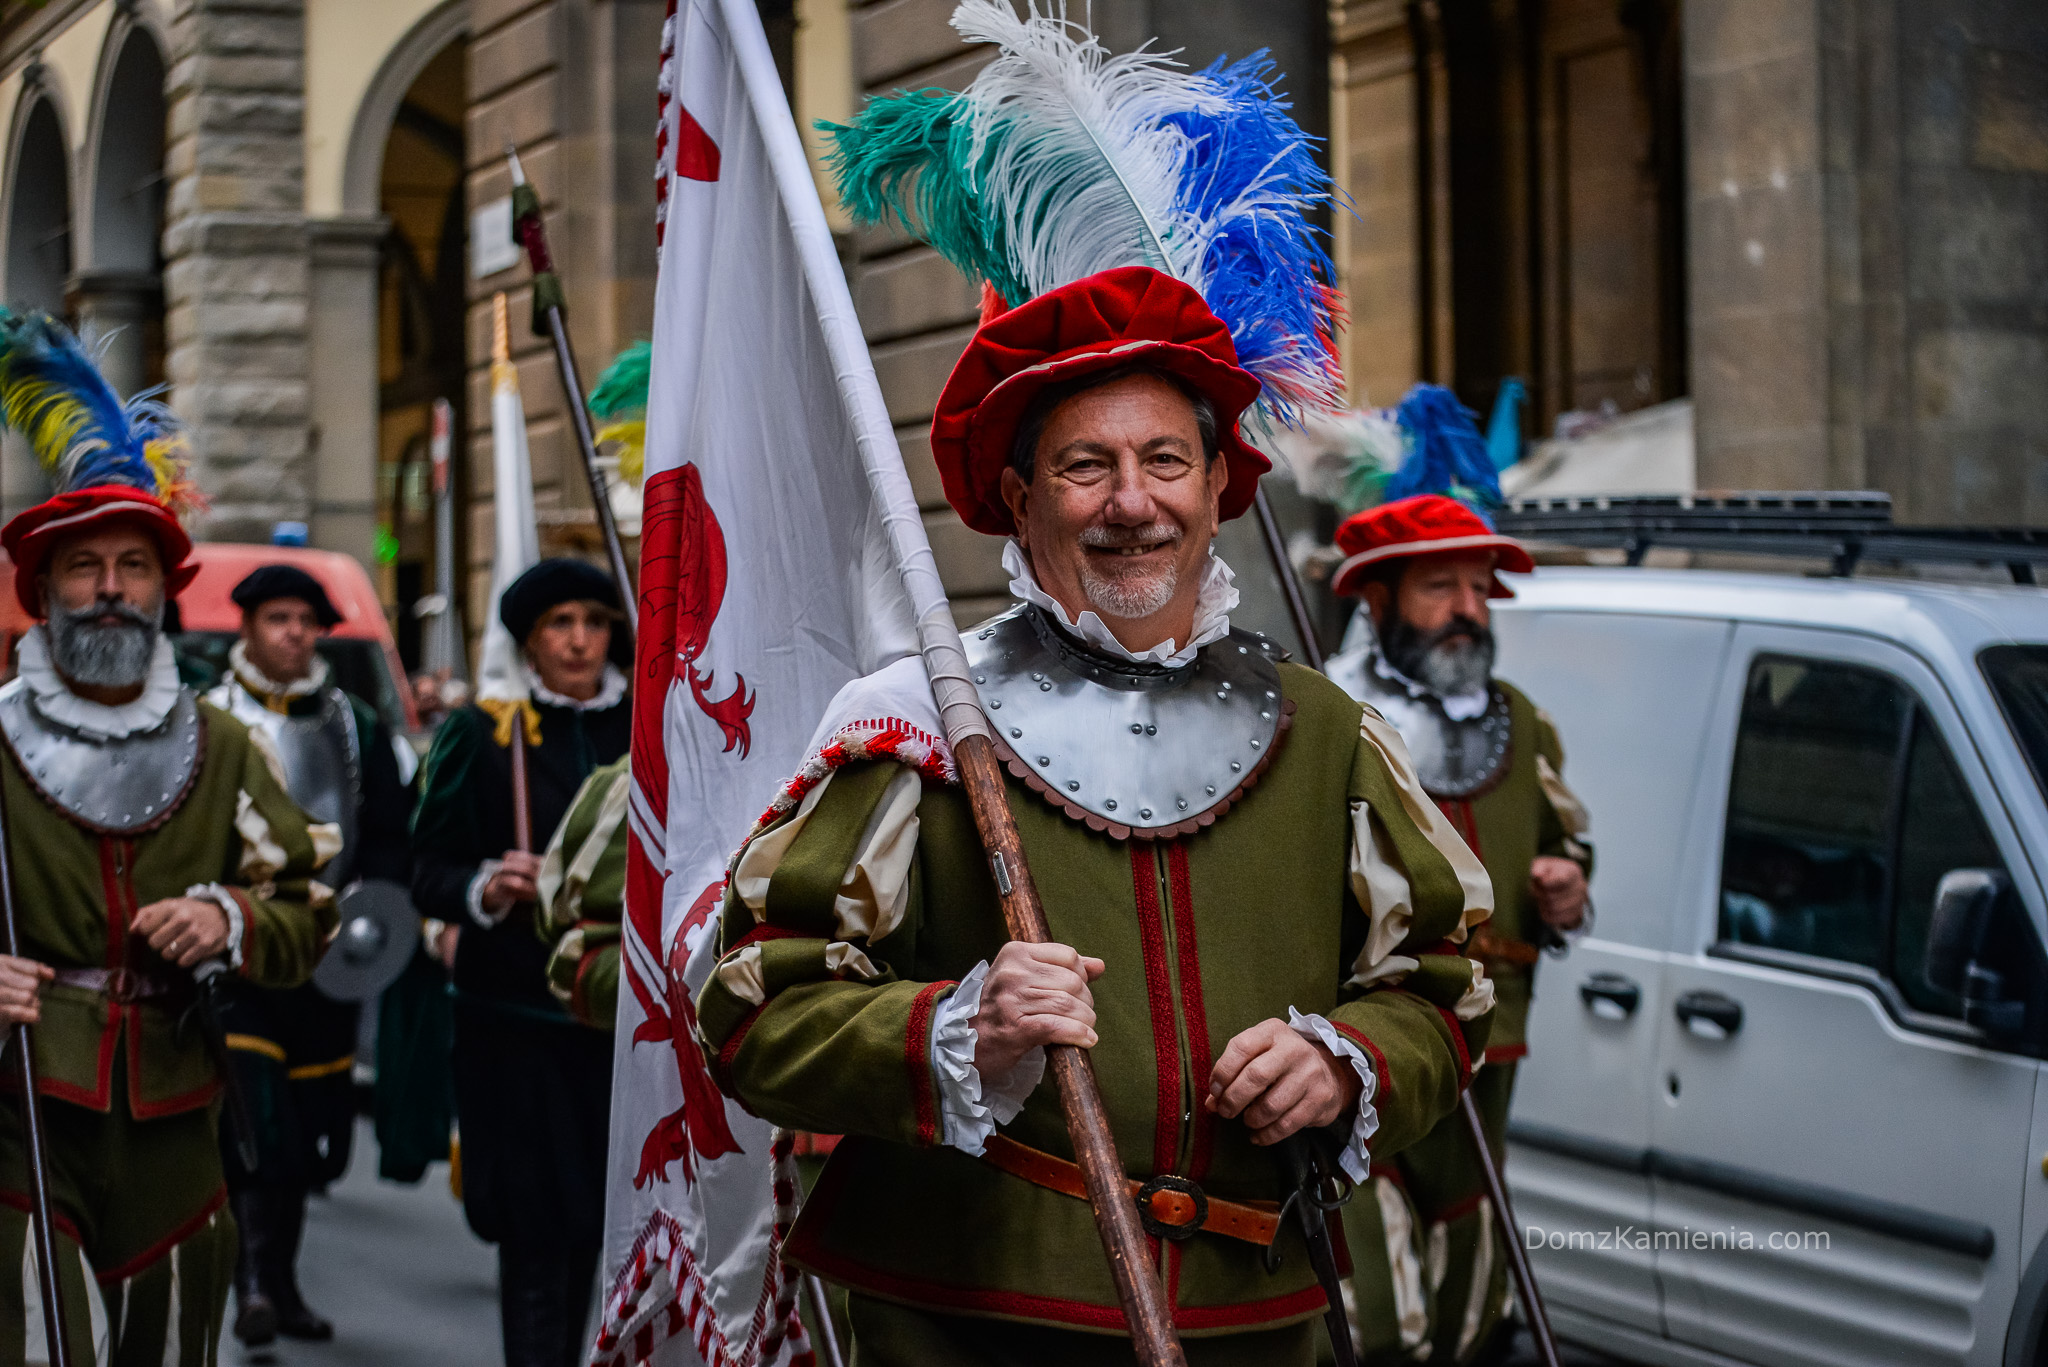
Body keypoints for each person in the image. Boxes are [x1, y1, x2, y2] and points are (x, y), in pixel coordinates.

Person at [693, 266, 1497, 1365]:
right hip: (968, 1322)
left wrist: (1349, 1058)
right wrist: (950, 1026)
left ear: (1217, 484)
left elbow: (1447, 984)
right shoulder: (912, 721)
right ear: (1020, 500)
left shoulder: (1329, 730)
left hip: (1256, 1318)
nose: (1132, 501)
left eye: (1164, 459)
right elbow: (748, 1004)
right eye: (1085, 465)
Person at [0, 310, 336, 1363]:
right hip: (18, 1114)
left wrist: (227, 913)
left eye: (133, 565)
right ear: (44, 591)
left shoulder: (225, 743)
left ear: (162, 589)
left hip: (177, 1113)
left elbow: (307, 908)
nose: (109, 586)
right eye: (84, 565)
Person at [1323, 494, 1592, 1365]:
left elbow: (1565, 843)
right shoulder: (1328, 719)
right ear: (1379, 602)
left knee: (1471, 1294)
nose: (1467, 609)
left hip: (1492, 1045)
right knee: (1377, 1304)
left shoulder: (1526, 720)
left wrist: (1567, 891)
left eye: (1478, 588)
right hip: (1369, 1042)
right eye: (1440, 586)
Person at [411, 559, 629, 1367]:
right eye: (559, 625)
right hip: (515, 1021)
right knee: (536, 1230)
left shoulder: (646, 723)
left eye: (593, 621)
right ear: (530, 641)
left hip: (617, 1017)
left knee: (600, 1224)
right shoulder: (482, 733)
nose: (579, 640)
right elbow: (425, 863)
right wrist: (485, 883)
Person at [203, 563, 415, 1345]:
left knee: (309, 1137)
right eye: (277, 618)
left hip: (330, 959)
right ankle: (251, 1280)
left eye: (304, 620)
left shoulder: (356, 722)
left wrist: (373, 912)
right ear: (249, 628)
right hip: (239, 958)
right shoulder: (208, 719)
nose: (293, 632)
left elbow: (392, 833)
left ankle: (281, 1281)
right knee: (258, 1127)